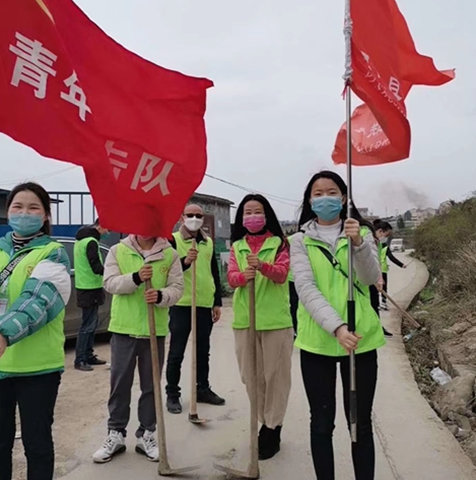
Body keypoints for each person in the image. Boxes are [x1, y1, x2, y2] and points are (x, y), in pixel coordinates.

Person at [0, 182, 72, 480]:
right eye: (17, 207)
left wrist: (3, 334)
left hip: (37, 368)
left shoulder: (54, 253)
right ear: (7, 212)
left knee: (37, 445)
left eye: (33, 208)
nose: (25, 213)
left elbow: (39, 300)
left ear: (46, 215)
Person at [290, 171, 385, 480]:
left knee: (360, 423)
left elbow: (371, 279)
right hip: (317, 342)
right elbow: (306, 289)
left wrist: (358, 243)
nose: (325, 198)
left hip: (362, 341)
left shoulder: (362, 234)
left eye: (332, 192)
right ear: (309, 200)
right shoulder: (299, 241)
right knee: (321, 423)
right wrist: (337, 328)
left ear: (344, 198)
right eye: (318, 193)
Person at [93, 234, 184, 464]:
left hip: (154, 331)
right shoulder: (117, 251)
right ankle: (116, 433)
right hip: (124, 328)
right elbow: (110, 283)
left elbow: (177, 288)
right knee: (119, 383)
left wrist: (161, 295)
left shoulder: (169, 254)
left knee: (151, 384)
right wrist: (135, 277)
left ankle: (147, 434)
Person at [228, 194, 293, 461]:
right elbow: (232, 279)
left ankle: (272, 428)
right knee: (251, 376)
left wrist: (263, 266)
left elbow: (282, 274)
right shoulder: (237, 246)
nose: (251, 216)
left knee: (275, 376)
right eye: (246, 212)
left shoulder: (280, 244)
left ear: (266, 216)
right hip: (245, 320)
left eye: (257, 211)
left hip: (275, 321)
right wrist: (245, 276)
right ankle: (263, 420)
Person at [165, 203, 225, 413]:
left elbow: (214, 272)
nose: (194, 218)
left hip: (204, 304)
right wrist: (184, 262)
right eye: (190, 215)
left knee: (203, 350)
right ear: (182, 218)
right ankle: (172, 393)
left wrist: (217, 301)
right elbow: (166, 270)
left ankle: (202, 389)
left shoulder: (207, 242)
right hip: (182, 304)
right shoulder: (173, 240)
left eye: (198, 215)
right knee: (176, 352)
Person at [74, 218, 109, 371]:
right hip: (90, 288)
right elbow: (95, 266)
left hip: (85, 286)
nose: (108, 232)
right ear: (101, 225)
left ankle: (88, 355)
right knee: (87, 326)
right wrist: (111, 272)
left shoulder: (81, 241)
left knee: (91, 324)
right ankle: (81, 359)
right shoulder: (91, 242)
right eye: (108, 229)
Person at [373, 219, 407, 311]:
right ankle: (378, 304)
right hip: (374, 271)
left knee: (382, 288)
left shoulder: (381, 245)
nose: (386, 238)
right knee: (376, 290)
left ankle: (383, 303)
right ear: (380, 231)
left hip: (381, 270)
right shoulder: (371, 243)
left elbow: (390, 257)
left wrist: (401, 265)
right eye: (387, 235)